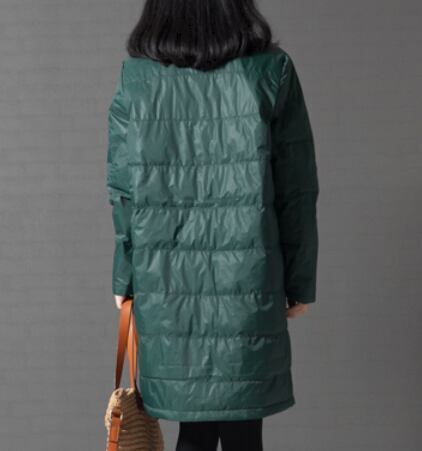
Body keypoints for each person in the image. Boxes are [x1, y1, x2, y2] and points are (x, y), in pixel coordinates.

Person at [106, 0, 319, 449]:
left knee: (193, 431)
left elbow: (125, 194)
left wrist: (124, 278)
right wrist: (299, 282)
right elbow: (297, 190)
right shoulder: (272, 71)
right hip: (250, 286)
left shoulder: (137, 79)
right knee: (245, 431)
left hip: (166, 289)